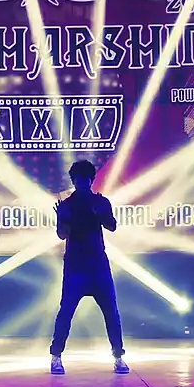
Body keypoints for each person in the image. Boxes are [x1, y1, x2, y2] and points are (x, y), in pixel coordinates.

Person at [50, 159, 129, 375]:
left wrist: (100, 213)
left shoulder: (101, 202)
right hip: (75, 266)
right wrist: (62, 218)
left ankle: (118, 357)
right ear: (74, 181)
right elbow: (62, 235)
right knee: (66, 311)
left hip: (98, 265)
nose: (82, 182)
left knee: (111, 313)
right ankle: (56, 357)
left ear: (91, 180)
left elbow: (112, 226)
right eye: (78, 179)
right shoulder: (66, 205)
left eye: (85, 179)